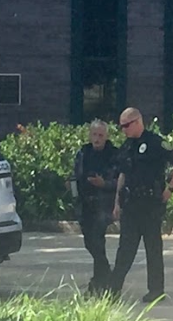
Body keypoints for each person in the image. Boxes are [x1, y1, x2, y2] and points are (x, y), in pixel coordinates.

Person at [106, 107, 173, 303]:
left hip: (150, 204)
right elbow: (122, 175)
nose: (123, 129)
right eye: (121, 126)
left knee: (153, 249)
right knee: (125, 249)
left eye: (126, 125)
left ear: (138, 122)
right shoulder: (127, 147)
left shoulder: (155, 142)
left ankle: (156, 291)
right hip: (130, 205)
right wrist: (117, 202)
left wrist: (171, 188)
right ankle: (113, 290)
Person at [73, 120, 120, 293]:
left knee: (97, 240)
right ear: (90, 135)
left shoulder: (114, 154)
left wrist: (104, 183)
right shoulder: (83, 153)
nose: (97, 138)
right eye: (94, 135)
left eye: (101, 135)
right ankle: (104, 276)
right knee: (90, 243)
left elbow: (120, 181)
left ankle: (98, 282)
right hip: (85, 203)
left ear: (106, 136)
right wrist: (71, 186)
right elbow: (75, 174)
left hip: (104, 203)